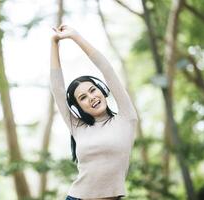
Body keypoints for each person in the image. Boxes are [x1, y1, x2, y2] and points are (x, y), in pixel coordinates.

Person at [49, 25, 138, 200]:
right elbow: (57, 89)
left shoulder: (127, 119)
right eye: (82, 97)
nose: (91, 97)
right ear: (78, 107)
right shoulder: (77, 126)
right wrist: (54, 43)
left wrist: (76, 37)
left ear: (102, 90)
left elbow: (107, 69)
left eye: (93, 90)